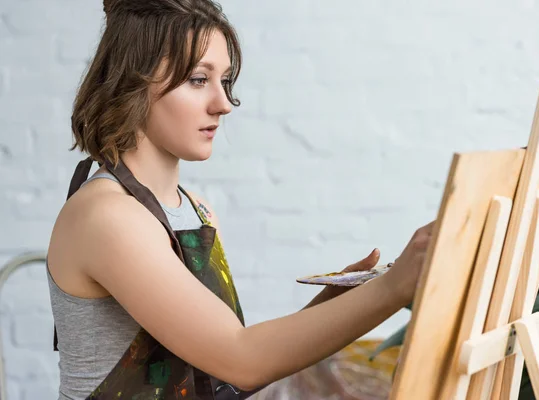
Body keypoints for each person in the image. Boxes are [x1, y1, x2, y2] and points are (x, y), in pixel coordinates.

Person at [45, 0, 435, 399]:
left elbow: (221, 373)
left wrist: (330, 305)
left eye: (225, 81)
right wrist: (393, 288)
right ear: (134, 81)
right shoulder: (107, 215)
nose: (224, 104)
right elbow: (242, 360)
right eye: (198, 79)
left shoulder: (195, 211)